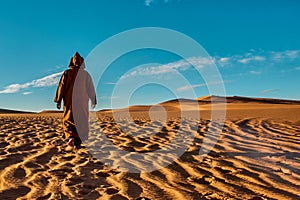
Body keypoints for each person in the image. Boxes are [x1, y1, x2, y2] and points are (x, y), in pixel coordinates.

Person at [54, 52, 97, 149]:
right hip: (82, 102)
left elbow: (61, 86)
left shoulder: (67, 73)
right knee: (81, 119)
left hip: (69, 101)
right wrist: (93, 100)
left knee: (69, 118)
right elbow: (91, 88)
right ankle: (77, 141)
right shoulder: (86, 74)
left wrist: (58, 100)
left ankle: (71, 136)